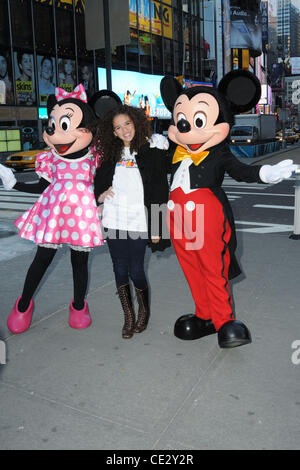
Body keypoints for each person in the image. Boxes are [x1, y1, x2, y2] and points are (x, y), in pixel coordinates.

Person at [0, 84, 121, 335]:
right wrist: (14, 184)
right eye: (53, 126)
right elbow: (42, 187)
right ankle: (23, 305)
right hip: (53, 215)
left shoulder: (96, 157)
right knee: (41, 259)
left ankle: (78, 306)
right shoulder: (50, 159)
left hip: (82, 216)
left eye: (65, 126)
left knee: (80, 261)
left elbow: (110, 174)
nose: (56, 134)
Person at [93, 104, 170, 339]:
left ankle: (143, 312)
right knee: (118, 268)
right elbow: (99, 183)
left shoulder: (153, 149)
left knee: (136, 269)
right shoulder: (110, 155)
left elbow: (160, 189)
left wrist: (158, 227)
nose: (125, 130)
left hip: (139, 221)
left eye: (127, 123)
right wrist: (100, 194)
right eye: (118, 127)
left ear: (136, 122)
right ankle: (128, 316)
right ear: (113, 132)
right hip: (114, 219)